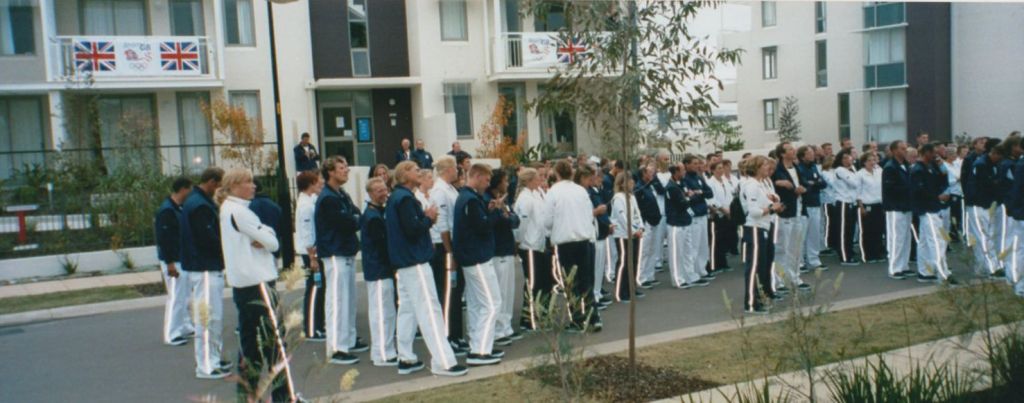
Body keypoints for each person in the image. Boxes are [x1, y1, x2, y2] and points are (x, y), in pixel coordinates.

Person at [217, 169, 299, 402]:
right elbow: (273, 243)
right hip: (258, 283)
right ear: (234, 186)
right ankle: (284, 396)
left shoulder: (229, 210)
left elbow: (267, 237)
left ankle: (247, 396)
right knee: (275, 344)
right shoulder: (240, 212)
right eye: (248, 182)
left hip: (245, 285)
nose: (254, 186)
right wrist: (266, 233)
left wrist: (265, 233)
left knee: (250, 345)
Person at [385, 161, 468, 377]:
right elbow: (413, 229)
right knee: (430, 309)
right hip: (415, 261)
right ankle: (444, 361)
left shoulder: (397, 197)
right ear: (404, 174)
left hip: (404, 262)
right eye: (414, 169)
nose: (420, 173)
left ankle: (405, 356)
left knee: (408, 310)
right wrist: (428, 218)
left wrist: (423, 219)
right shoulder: (404, 198)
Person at [180, 167, 232, 379]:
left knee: (212, 315)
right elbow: (209, 238)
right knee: (208, 316)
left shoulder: (195, 201)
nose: (220, 190)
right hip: (205, 267)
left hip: (204, 265)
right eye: (220, 185)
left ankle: (213, 357)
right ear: (212, 182)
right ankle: (207, 365)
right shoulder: (200, 205)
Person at [315, 156, 368, 365]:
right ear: (330, 172)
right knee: (337, 301)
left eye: (346, 166)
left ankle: (348, 339)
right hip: (335, 253)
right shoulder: (328, 198)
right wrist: (356, 219)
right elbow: (348, 221)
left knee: (347, 300)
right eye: (341, 168)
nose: (346, 170)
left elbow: (355, 214)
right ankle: (337, 347)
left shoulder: (340, 194)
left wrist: (355, 218)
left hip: (344, 251)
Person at [453, 163, 504, 366]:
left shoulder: (466, 198)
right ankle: (481, 350)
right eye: (486, 179)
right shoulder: (470, 200)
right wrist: (493, 213)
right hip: (477, 257)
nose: (488, 183)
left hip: (470, 257)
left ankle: (480, 344)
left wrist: (487, 210)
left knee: (477, 304)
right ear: (476, 176)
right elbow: (482, 226)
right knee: (492, 303)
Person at [544, 160, 602, 331]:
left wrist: (550, 232)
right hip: (584, 239)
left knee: (571, 282)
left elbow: (547, 220)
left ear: (556, 174)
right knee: (587, 281)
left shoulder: (553, 192)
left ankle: (577, 318)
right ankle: (594, 317)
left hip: (565, 242)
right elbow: (588, 214)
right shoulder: (580, 191)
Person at [427, 156, 468, 354]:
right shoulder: (439, 191)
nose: (457, 171)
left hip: (453, 244)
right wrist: (449, 251)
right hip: (444, 247)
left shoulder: (450, 188)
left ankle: (457, 334)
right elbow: (442, 224)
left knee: (456, 292)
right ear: (447, 169)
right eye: (455, 168)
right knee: (447, 293)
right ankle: (448, 335)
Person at [360, 177, 400, 367]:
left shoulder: (378, 213)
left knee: (386, 311)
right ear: (370, 194)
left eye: (384, 189)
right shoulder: (372, 216)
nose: (383, 193)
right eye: (378, 191)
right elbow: (381, 244)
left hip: (381, 270)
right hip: (378, 270)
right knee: (381, 312)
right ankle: (382, 353)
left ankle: (385, 349)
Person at [740, 156, 783, 314]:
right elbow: (754, 211)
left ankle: (762, 296)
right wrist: (772, 208)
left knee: (763, 265)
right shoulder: (752, 185)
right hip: (755, 228)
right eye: (764, 165)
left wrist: (773, 204)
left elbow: (772, 199)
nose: (768, 168)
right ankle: (751, 303)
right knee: (753, 268)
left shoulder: (761, 184)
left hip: (763, 227)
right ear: (756, 168)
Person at [484, 169, 521, 346]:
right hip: (497, 251)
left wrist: (507, 215)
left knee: (508, 291)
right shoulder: (487, 199)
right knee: (500, 292)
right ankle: (499, 329)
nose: (507, 184)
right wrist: (504, 215)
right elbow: (500, 221)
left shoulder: (503, 199)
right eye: (505, 180)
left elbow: (515, 220)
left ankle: (506, 325)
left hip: (507, 249)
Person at [155, 176, 194, 346]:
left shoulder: (177, 208)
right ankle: (172, 333)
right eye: (190, 189)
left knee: (184, 296)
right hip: (173, 260)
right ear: (183, 189)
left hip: (180, 258)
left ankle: (184, 326)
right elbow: (164, 239)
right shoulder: (167, 211)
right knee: (176, 297)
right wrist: (170, 262)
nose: (191, 193)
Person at [911, 144, 956, 284]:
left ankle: (925, 271)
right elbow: (920, 191)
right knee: (936, 240)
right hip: (927, 208)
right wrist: (937, 197)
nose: (935, 156)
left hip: (933, 207)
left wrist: (942, 167)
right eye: (933, 153)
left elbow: (942, 180)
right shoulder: (918, 170)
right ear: (925, 153)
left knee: (924, 241)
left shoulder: (931, 166)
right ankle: (942, 273)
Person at [514, 168, 552, 331]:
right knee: (533, 282)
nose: (540, 180)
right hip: (530, 245)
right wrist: (520, 241)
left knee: (543, 281)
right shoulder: (525, 199)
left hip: (539, 244)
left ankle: (540, 312)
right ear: (529, 181)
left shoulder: (535, 194)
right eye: (537, 178)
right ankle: (528, 318)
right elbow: (521, 225)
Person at [771, 143, 809, 292]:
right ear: (782, 154)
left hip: (798, 211)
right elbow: (770, 185)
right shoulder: (777, 170)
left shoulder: (797, 167)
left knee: (796, 248)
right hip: (784, 213)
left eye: (793, 149)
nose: (794, 151)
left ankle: (795, 278)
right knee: (782, 248)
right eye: (790, 149)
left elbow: (805, 183)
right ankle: (778, 280)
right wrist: (778, 183)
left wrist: (803, 188)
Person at [295, 171, 326, 340]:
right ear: (310, 184)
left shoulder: (309, 201)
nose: (320, 183)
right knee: (314, 289)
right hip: (311, 253)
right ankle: (311, 328)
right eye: (317, 181)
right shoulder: (305, 205)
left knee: (318, 288)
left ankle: (318, 324)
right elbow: (307, 232)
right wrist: (312, 257)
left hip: (313, 251)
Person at [967, 139, 1004, 276]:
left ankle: (983, 267)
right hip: (979, 204)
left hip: (988, 204)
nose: (1000, 159)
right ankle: (991, 267)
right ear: (993, 153)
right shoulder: (981, 164)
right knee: (982, 236)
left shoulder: (992, 164)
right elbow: (986, 185)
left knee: (988, 236)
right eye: (999, 155)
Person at [580, 165, 612, 308]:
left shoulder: (596, 191)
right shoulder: (588, 193)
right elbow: (592, 213)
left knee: (599, 267)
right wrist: (598, 213)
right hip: (594, 233)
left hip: (601, 232)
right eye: (595, 177)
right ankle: (594, 294)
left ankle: (597, 292)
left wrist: (608, 223)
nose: (598, 180)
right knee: (594, 268)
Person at [665, 163, 702, 289]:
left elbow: (687, 197)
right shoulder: (671, 187)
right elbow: (682, 204)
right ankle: (678, 279)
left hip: (685, 221)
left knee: (687, 251)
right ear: (676, 172)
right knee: (676, 253)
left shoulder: (680, 184)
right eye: (682, 170)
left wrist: (689, 196)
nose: (684, 172)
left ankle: (690, 276)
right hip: (676, 223)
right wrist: (690, 197)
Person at [882, 141, 915, 280]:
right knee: (897, 238)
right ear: (895, 151)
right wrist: (908, 188)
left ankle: (904, 265)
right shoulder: (890, 167)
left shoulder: (906, 166)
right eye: (902, 149)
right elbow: (890, 189)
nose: (905, 150)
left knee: (906, 237)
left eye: (905, 148)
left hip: (906, 206)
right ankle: (894, 268)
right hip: (896, 207)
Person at [610, 172, 644, 301]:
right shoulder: (618, 198)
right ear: (622, 183)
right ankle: (620, 292)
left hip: (635, 233)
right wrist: (633, 230)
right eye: (630, 181)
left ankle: (631, 288)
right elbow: (622, 217)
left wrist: (640, 228)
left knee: (634, 261)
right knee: (624, 262)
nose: (632, 183)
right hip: (623, 235)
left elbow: (637, 213)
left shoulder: (631, 196)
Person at [796, 146, 827, 272]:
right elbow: (804, 184)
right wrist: (814, 183)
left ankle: (814, 260)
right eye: (809, 153)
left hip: (815, 202)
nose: (813, 155)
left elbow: (823, 183)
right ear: (803, 156)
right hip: (805, 204)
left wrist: (813, 183)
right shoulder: (799, 168)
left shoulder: (814, 167)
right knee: (802, 234)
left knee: (814, 233)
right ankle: (800, 262)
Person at [682, 156, 715, 280]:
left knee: (703, 245)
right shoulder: (685, 179)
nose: (697, 166)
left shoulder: (699, 177)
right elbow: (689, 197)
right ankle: (692, 273)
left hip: (703, 213)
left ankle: (702, 270)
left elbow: (709, 193)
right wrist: (698, 194)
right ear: (686, 164)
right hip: (694, 215)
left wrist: (699, 192)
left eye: (698, 163)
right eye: (694, 163)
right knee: (694, 246)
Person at [634, 164, 663, 289]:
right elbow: (638, 207)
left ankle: (650, 275)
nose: (652, 174)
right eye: (650, 172)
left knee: (653, 250)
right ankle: (641, 277)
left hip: (655, 221)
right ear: (643, 174)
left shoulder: (650, 186)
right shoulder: (639, 188)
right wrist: (643, 222)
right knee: (644, 251)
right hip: (646, 222)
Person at [856, 152, 885, 264]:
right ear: (864, 162)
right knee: (868, 230)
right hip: (867, 205)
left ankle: (877, 253)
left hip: (879, 204)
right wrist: (861, 206)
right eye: (869, 160)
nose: (872, 162)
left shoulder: (879, 171)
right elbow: (858, 192)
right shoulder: (860, 174)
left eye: (874, 160)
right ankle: (868, 255)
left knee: (878, 229)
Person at [833, 151, 860, 266]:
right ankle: (844, 256)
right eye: (844, 158)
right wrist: (858, 179)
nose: (847, 160)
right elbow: (854, 183)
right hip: (843, 202)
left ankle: (849, 251)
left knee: (850, 230)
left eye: (848, 157)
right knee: (844, 230)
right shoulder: (840, 170)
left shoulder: (853, 169)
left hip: (852, 202)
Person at [708, 161, 733, 271]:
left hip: (728, 212)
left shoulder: (725, 181)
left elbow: (730, 194)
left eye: (722, 168)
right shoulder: (710, 182)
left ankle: (723, 263)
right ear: (713, 170)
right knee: (716, 241)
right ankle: (714, 265)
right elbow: (711, 199)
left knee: (725, 239)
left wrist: (730, 209)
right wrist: (722, 209)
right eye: (718, 168)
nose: (721, 170)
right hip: (718, 214)